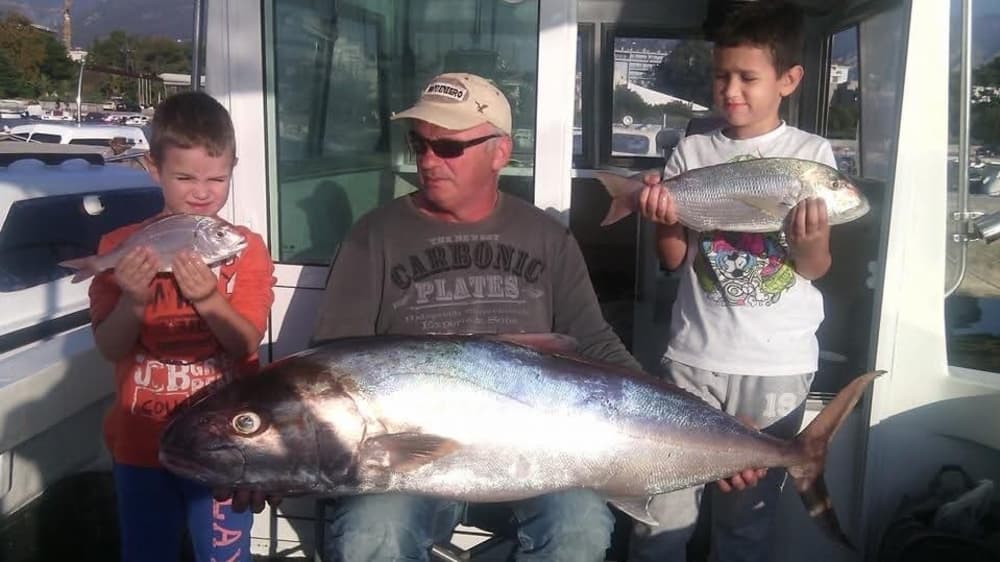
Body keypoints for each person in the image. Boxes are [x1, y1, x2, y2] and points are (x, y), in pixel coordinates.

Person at [629, 2, 838, 561]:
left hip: (776, 369)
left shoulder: (811, 157)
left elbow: (815, 268)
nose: (731, 90)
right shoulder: (694, 151)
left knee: (746, 521)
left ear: (789, 80)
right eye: (722, 76)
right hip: (694, 356)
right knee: (661, 508)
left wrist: (811, 235)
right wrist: (663, 217)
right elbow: (676, 259)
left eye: (748, 77)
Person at [88, 91, 275, 562]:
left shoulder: (244, 248)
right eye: (185, 176)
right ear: (154, 169)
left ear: (234, 167)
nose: (202, 190)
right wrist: (133, 299)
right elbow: (111, 349)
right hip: (140, 445)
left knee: (226, 557)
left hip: (225, 446)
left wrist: (209, 297)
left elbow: (246, 342)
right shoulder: (120, 245)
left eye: (218, 177)